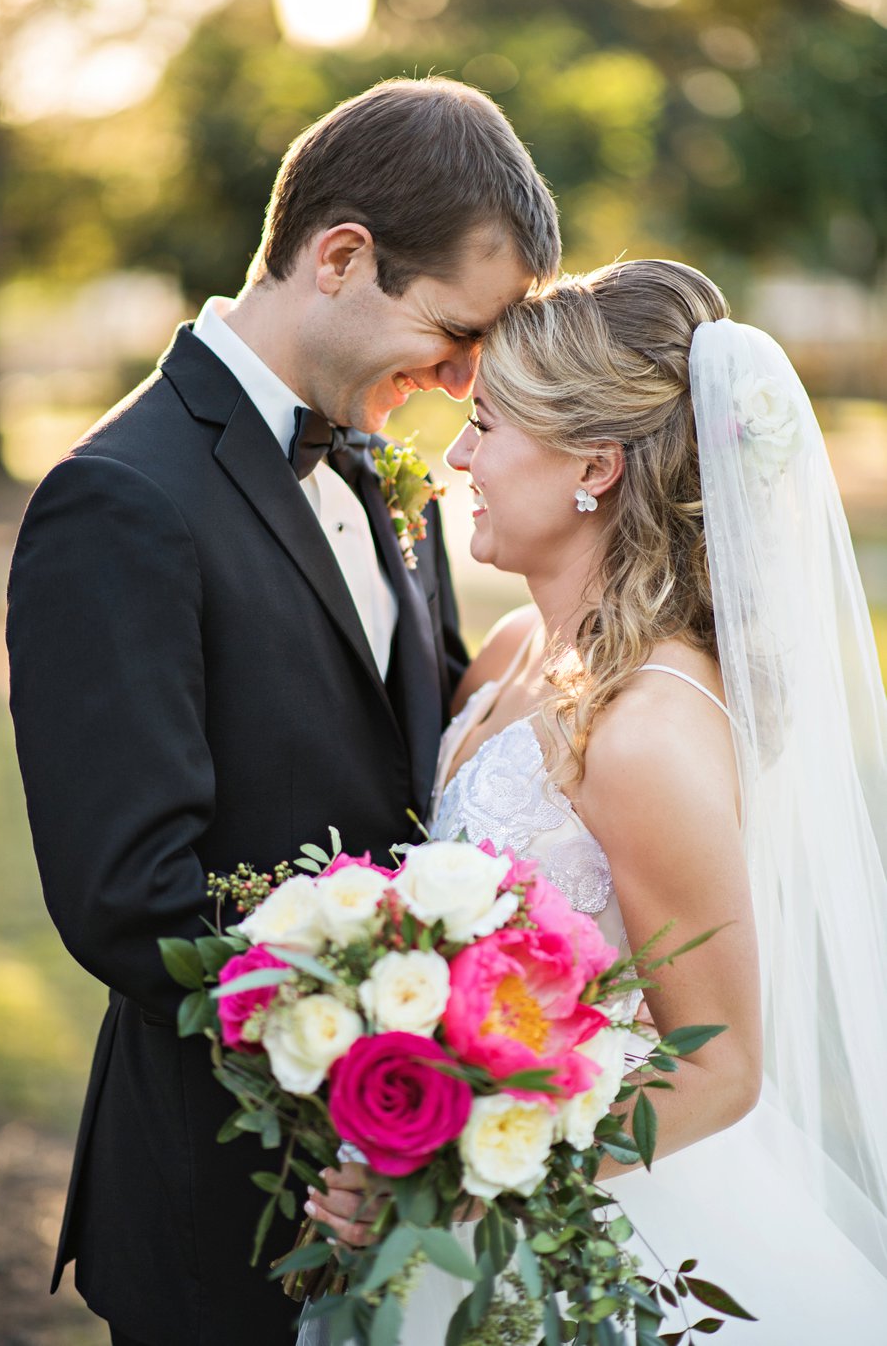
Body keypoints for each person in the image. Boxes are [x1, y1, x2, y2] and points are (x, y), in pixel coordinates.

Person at [5, 77, 560, 1346]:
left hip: (418, 1206)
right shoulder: (121, 502)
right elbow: (130, 899)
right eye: (456, 333)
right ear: (343, 256)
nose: (467, 382)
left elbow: (429, 772)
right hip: (226, 1201)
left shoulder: (384, 469)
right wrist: (389, 1068)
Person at [307, 259, 887, 1341]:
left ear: (596, 465)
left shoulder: (645, 733)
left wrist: (463, 1180)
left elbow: (720, 1066)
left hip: (578, 1228)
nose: (459, 454)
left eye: (486, 423)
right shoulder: (518, 647)